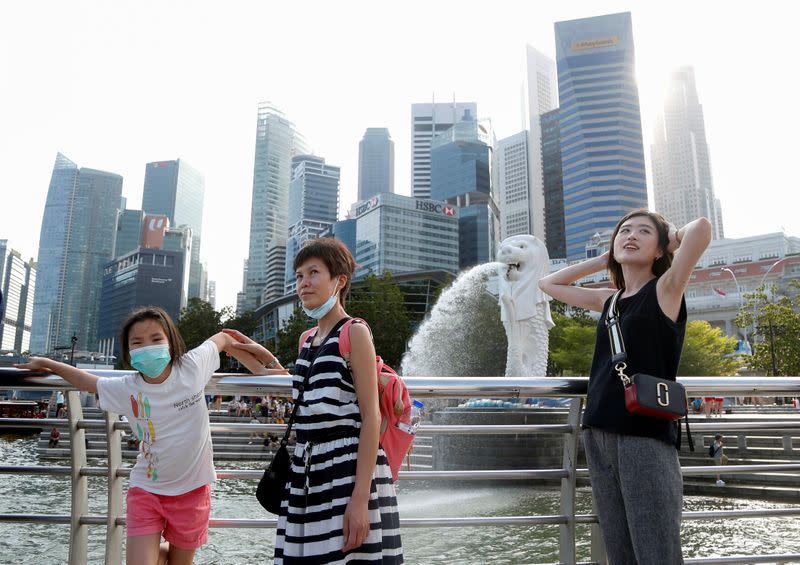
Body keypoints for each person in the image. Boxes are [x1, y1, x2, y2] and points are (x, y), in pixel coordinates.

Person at [16, 306, 268, 565]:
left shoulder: (192, 366)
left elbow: (223, 338)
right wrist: (47, 363)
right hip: (147, 490)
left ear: (171, 342)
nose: (148, 347)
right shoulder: (128, 387)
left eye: (156, 339)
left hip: (192, 490)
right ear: (128, 351)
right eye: (137, 342)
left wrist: (263, 369)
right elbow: (86, 381)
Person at [539, 210, 711, 565]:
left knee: (655, 548)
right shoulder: (609, 300)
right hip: (598, 430)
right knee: (620, 550)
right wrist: (604, 259)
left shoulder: (665, 289)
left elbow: (703, 229)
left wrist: (670, 237)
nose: (630, 236)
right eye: (624, 232)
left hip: (643, 435)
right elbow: (549, 285)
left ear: (661, 249)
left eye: (643, 232)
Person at [224, 237, 403, 564]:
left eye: (313, 273)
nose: (304, 283)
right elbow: (299, 385)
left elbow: (371, 417)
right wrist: (237, 348)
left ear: (339, 280)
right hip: (308, 470)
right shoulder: (307, 339)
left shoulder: (355, 332)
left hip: (345, 470)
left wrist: (360, 499)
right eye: (299, 276)